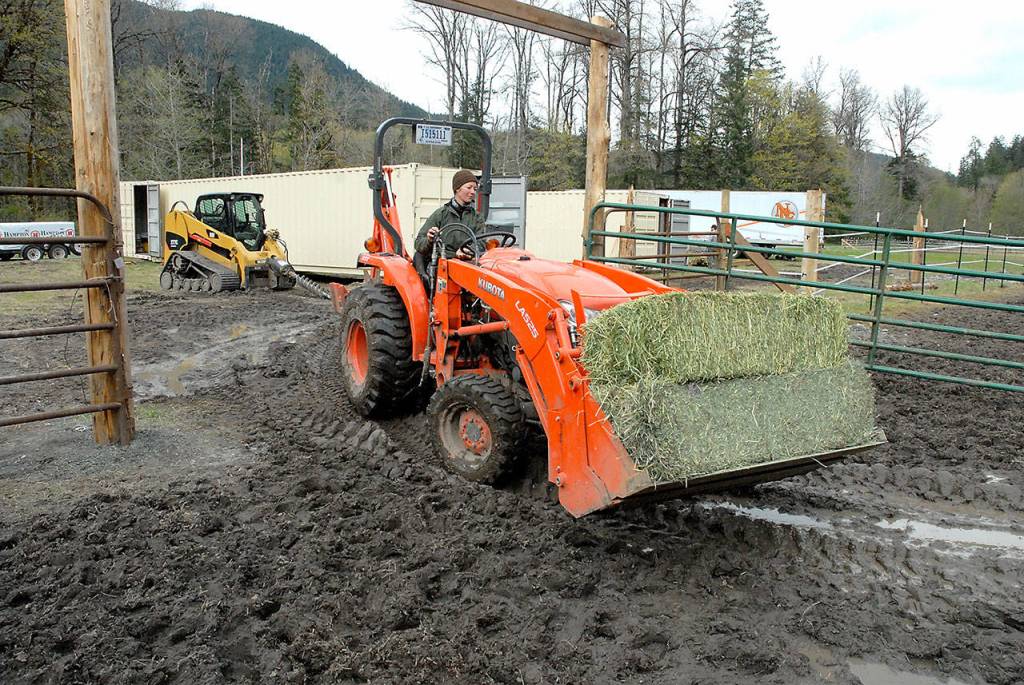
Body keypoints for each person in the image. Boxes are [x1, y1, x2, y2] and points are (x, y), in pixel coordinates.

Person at [414, 169, 486, 261]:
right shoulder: (441, 214)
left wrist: (466, 250)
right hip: (442, 266)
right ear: (457, 188)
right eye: (469, 187)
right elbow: (419, 243)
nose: (473, 192)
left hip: (468, 264)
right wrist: (429, 240)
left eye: (475, 189)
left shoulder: (477, 218)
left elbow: (481, 243)